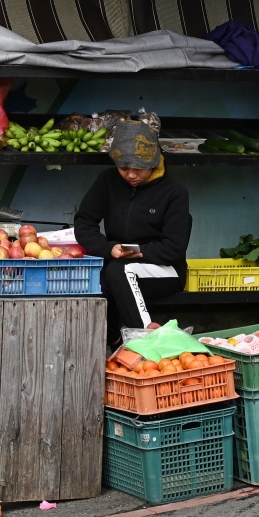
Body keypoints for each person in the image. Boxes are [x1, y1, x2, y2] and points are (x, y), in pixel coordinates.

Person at [73, 121, 192, 350]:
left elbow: (174, 247)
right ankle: (114, 341)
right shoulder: (107, 182)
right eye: (123, 168)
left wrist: (136, 253)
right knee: (103, 275)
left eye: (138, 169)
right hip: (119, 265)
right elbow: (84, 223)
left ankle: (147, 343)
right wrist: (108, 248)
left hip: (165, 269)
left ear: (153, 163)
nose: (130, 174)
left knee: (118, 270)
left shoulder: (175, 192)